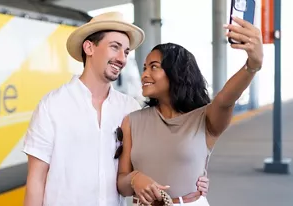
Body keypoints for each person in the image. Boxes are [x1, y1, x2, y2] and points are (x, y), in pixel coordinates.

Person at [22, 11, 210, 206]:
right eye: (115, 47)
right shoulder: (52, 106)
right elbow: (36, 180)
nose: (122, 58)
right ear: (89, 47)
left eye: (126, 52)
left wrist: (194, 179)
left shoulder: (130, 108)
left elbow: (159, 158)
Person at [115, 16, 263, 206]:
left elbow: (226, 99)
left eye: (154, 67)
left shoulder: (204, 119)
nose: (145, 74)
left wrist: (252, 65)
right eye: (144, 68)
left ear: (176, 73)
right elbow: (122, 184)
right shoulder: (132, 121)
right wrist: (135, 178)